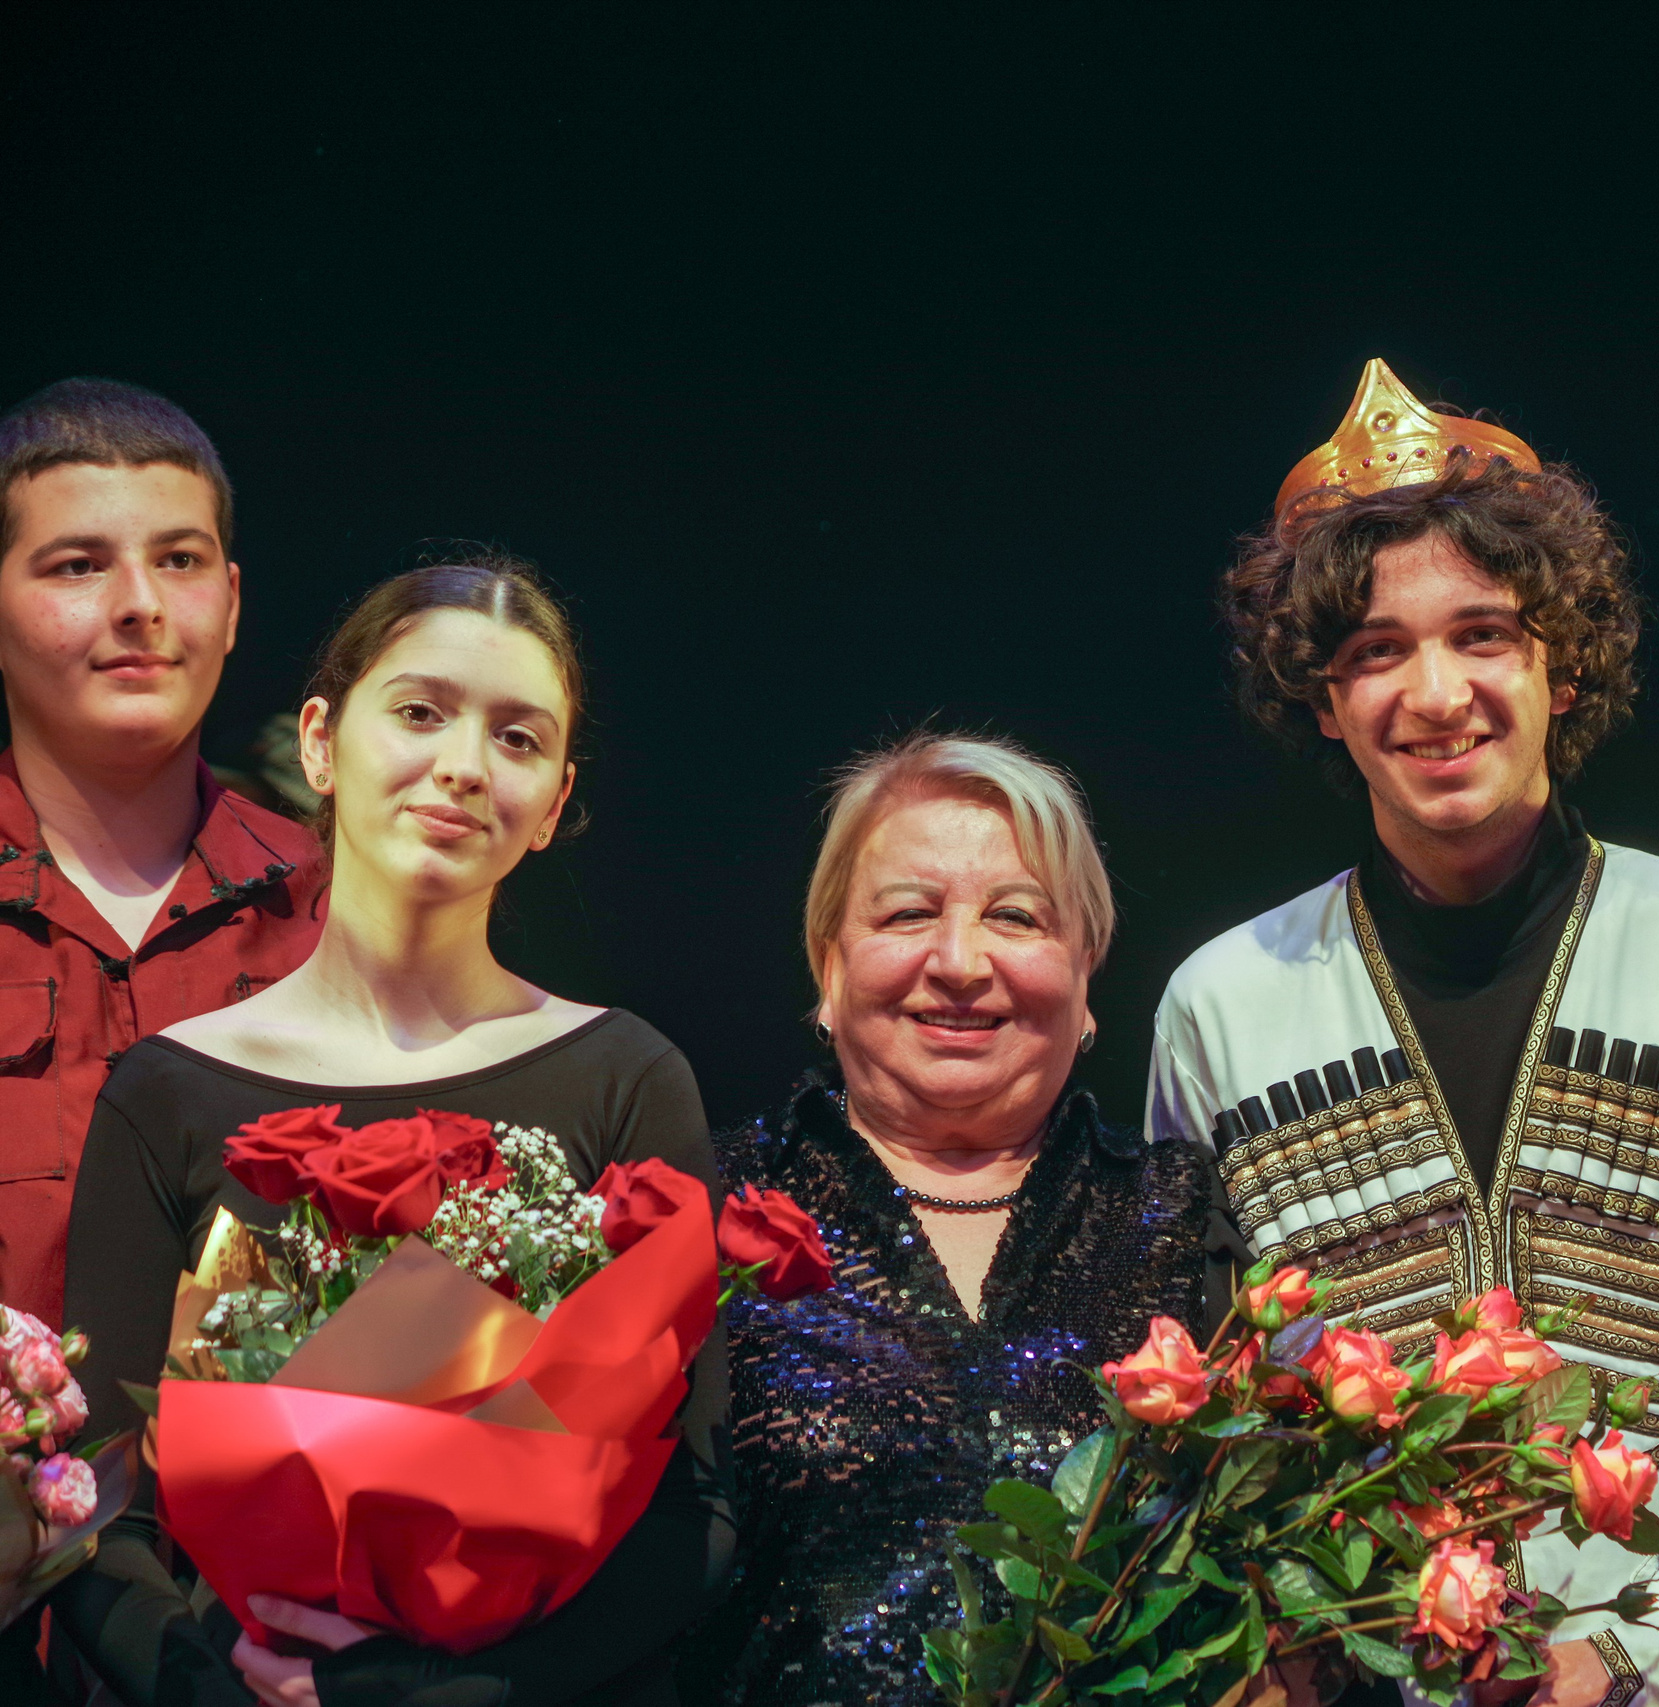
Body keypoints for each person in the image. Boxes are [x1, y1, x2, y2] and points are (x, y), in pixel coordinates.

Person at [1147, 359, 1659, 1707]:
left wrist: (1657, 1647)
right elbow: (1221, 1393)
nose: (1435, 691)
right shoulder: (1222, 1002)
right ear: (1320, 695)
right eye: (1376, 648)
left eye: (1483, 632)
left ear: (1562, 662)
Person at [56, 554, 728, 1707]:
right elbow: (94, 1508)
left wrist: (421, 1697)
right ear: (320, 741)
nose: (463, 768)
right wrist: (224, 1685)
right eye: (420, 712)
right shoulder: (167, 1093)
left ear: (556, 801)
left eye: (519, 740)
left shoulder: (626, 1078)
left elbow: (697, 1509)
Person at [688, 731, 1227, 1707]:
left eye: (1016, 917)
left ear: (1085, 968)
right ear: (829, 958)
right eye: (908, 913)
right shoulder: (710, 1206)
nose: (958, 962)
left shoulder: (1185, 1214)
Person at [0, 379, 324, 1333]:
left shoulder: (330, 912)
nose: (140, 604)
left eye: (179, 559)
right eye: (76, 566)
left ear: (228, 603)